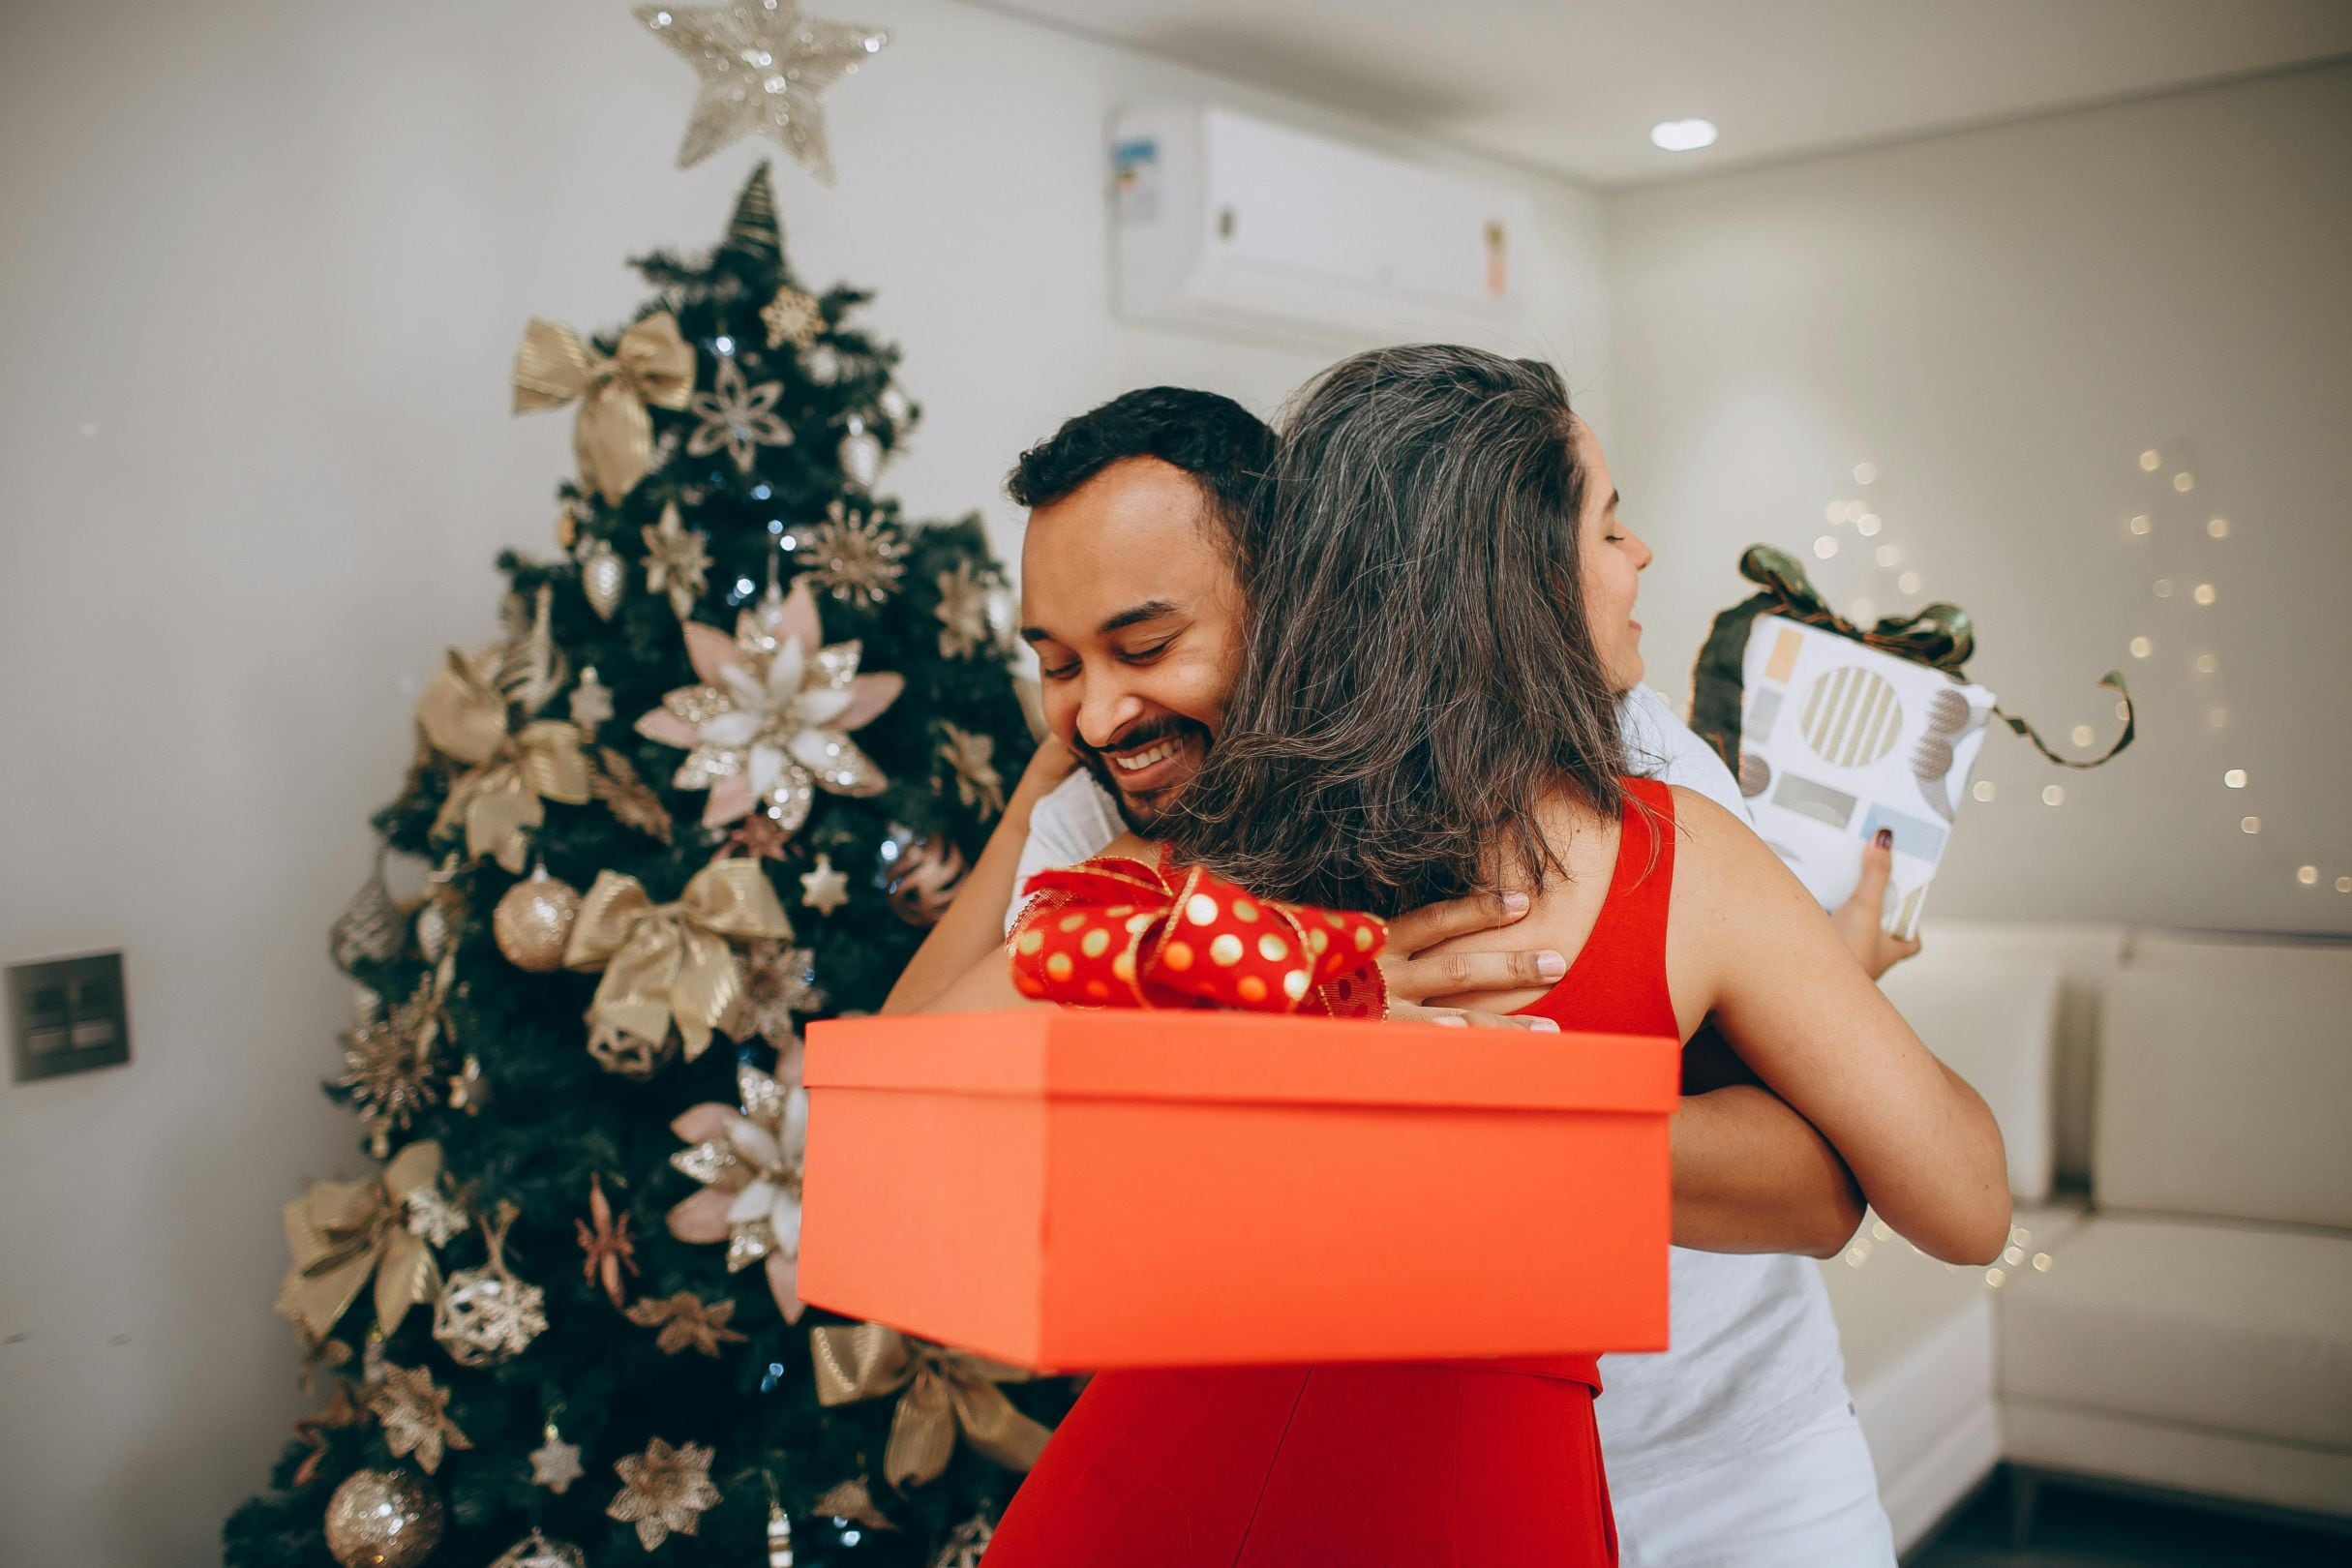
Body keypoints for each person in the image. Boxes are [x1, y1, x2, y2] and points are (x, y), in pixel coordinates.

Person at [887, 377, 2003, 1564]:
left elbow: (1833, 1195)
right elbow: (909, 1106)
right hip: (1339, 1480)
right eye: (1056, 664)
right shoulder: (1134, 844)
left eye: (1146, 644)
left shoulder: (1650, 785)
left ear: (1291, 599)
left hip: (1719, 1448)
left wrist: (1456, 1108)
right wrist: (1295, 1034)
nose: (1096, 713)